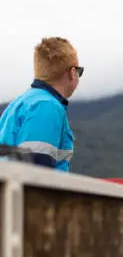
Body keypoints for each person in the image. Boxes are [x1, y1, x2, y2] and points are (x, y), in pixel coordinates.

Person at [0, 37, 83, 171]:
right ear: (73, 73)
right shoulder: (47, 106)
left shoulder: (20, 102)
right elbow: (37, 169)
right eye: (80, 71)